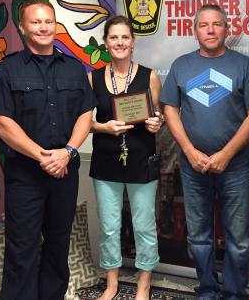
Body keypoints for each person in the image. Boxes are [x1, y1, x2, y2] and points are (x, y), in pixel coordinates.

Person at [0, 0, 97, 300]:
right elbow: (2, 124)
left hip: (65, 170)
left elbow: (85, 114)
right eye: (36, 22)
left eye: (48, 21)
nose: (44, 27)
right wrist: (42, 156)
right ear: (22, 27)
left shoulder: (74, 68)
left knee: (58, 243)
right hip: (25, 174)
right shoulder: (8, 69)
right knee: (22, 246)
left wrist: (67, 152)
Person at [160, 4, 249, 300]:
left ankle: (234, 294)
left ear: (226, 29)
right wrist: (190, 151)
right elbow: (170, 110)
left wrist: (226, 154)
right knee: (198, 236)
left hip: (236, 166)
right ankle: (206, 290)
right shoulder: (181, 66)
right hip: (193, 166)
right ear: (195, 31)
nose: (210, 30)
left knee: (238, 238)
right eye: (204, 25)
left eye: (217, 24)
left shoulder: (245, 66)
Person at [89, 15, 164, 300]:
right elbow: (84, 123)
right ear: (106, 42)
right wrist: (103, 127)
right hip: (106, 162)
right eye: (114, 37)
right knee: (109, 228)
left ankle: (144, 283)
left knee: (144, 226)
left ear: (133, 42)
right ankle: (112, 283)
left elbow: (157, 115)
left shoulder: (149, 76)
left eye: (125, 37)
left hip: (141, 161)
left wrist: (157, 122)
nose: (119, 42)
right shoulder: (93, 78)